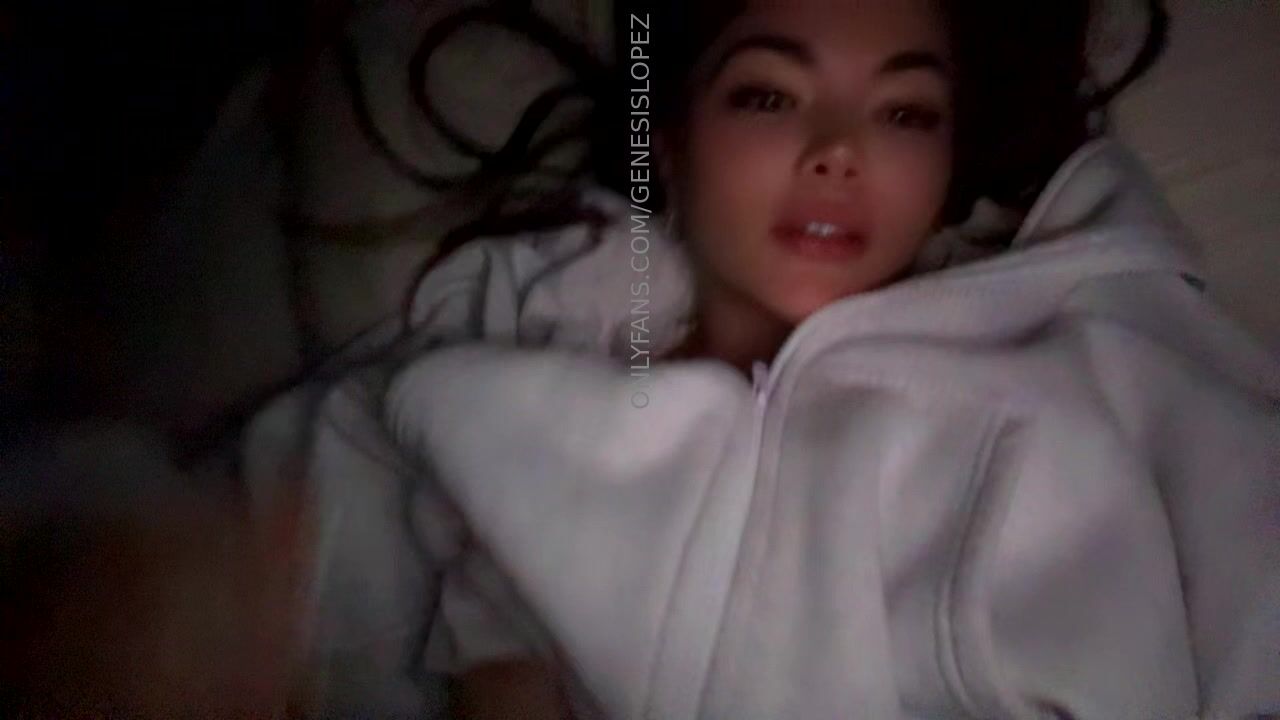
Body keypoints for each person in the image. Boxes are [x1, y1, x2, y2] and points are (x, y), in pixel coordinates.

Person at [243, 0, 1280, 718]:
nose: (839, 150)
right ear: (670, 143)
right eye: (769, 96)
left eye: (905, 112)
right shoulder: (516, 378)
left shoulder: (1080, 361)